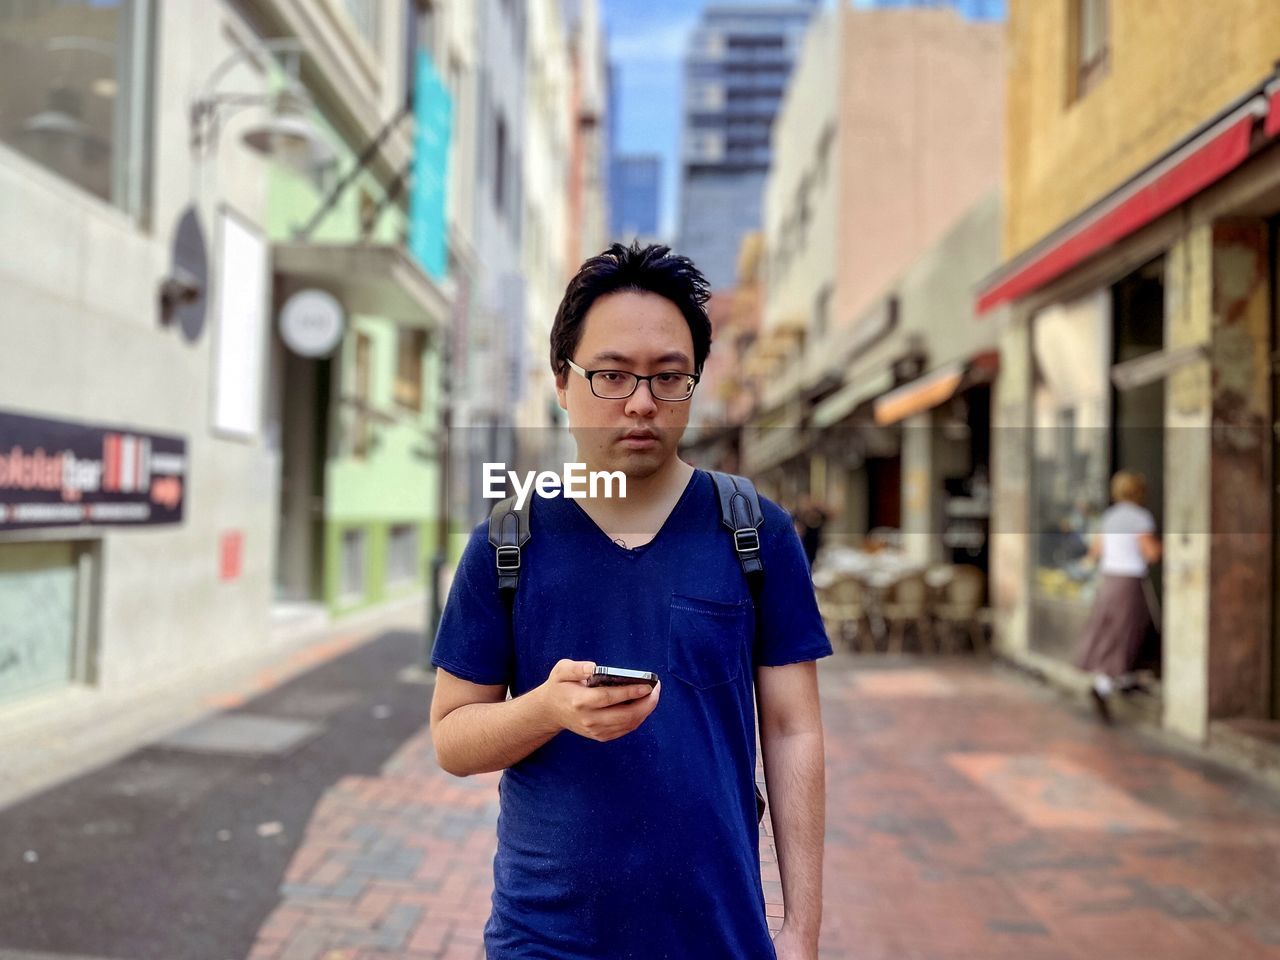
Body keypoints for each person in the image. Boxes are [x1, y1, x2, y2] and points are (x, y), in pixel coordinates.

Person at [429, 242, 832, 959]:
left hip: (718, 934)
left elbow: (793, 729)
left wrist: (802, 929)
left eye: (669, 378)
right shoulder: (507, 543)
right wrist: (547, 709)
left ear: (695, 383)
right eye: (611, 375)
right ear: (562, 381)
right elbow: (452, 739)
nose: (641, 403)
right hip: (547, 939)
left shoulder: (756, 532)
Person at [1077, 470, 1162, 723]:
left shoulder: (1110, 517)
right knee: (1126, 633)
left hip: (1109, 581)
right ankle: (1105, 685)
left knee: (1113, 632)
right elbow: (1151, 553)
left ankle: (1125, 678)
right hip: (1128, 581)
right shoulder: (1139, 517)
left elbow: (1095, 550)